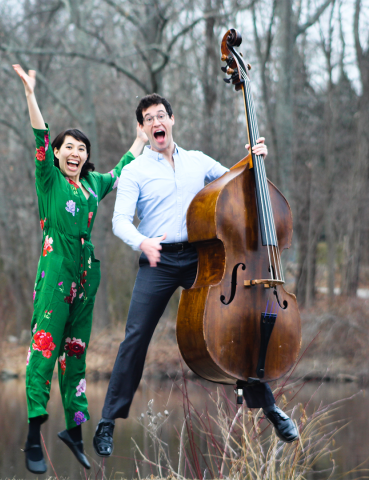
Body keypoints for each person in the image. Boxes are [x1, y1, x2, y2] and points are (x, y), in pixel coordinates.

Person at [92, 93, 299, 457]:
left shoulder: (197, 161)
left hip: (201, 256)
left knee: (240, 322)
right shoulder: (134, 170)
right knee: (135, 337)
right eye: (149, 119)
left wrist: (254, 160)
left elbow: (238, 182)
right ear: (142, 128)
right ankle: (108, 421)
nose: (157, 123)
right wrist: (142, 243)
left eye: (162, 116)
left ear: (172, 120)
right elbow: (119, 221)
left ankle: (269, 406)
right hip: (158, 258)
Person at [13, 64, 147, 473]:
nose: (75, 153)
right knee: (45, 347)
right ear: (57, 153)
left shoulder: (91, 186)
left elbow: (122, 169)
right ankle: (34, 429)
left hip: (87, 277)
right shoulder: (48, 180)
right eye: (68, 147)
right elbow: (39, 135)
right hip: (56, 272)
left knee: (76, 353)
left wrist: (141, 137)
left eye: (81, 149)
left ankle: (74, 428)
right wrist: (31, 96)